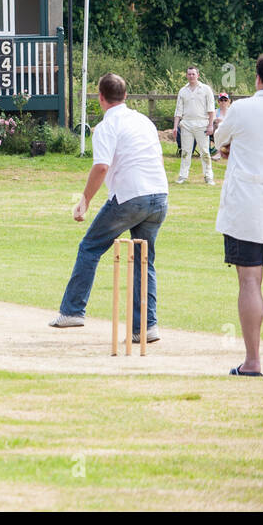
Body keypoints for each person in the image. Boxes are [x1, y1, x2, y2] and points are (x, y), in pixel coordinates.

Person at [52, 72, 167, 340]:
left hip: (130, 196)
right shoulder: (144, 120)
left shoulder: (106, 126)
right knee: (144, 259)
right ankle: (147, 327)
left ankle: (72, 311)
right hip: (160, 194)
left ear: (100, 97)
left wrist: (85, 200)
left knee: (90, 246)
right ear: (125, 96)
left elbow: (101, 166)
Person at [213, 53, 263, 376]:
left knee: (249, 282)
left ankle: (252, 361)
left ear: (258, 79)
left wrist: (230, 148)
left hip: (247, 207)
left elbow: (219, 139)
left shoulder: (241, 109)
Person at [174, 66, 215, 185]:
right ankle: (182, 176)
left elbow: (211, 109)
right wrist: (175, 126)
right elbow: (178, 110)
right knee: (186, 152)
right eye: (189, 74)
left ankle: (208, 176)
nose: (191, 76)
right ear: (186, 76)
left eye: (193, 74)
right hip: (186, 124)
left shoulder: (206, 89)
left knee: (205, 152)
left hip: (202, 124)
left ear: (198, 75)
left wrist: (210, 125)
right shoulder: (183, 90)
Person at [211, 92, 231, 160]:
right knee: (216, 125)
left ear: (228, 102)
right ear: (218, 102)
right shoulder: (215, 111)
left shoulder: (231, 112)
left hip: (228, 132)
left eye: (225, 100)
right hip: (217, 132)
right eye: (221, 100)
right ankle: (218, 152)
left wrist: (222, 122)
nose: (223, 102)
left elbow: (232, 123)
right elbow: (213, 120)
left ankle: (218, 153)